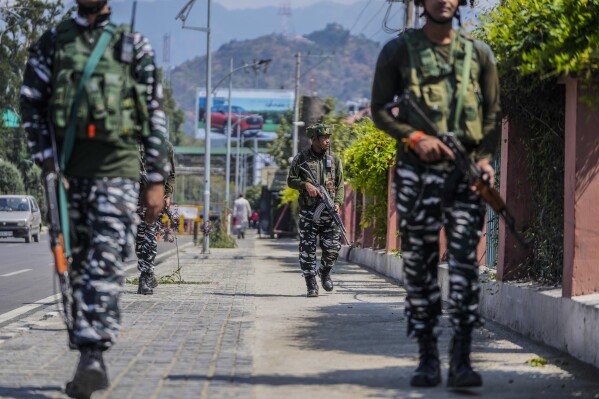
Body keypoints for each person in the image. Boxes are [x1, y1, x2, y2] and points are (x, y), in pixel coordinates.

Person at [20, 0, 171, 397]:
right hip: (68, 173)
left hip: (117, 172)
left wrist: (155, 178)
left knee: (105, 257)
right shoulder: (53, 43)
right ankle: (88, 351)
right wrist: (49, 164)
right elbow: (31, 105)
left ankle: (92, 353)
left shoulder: (132, 44)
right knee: (77, 261)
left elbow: (154, 110)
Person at [371, 0, 501, 389]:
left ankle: (461, 360)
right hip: (417, 171)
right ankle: (427, 357)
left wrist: (486, 160)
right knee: (419, 264)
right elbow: (379, 109)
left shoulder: (478, 53)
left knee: (464, 264)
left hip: (464, 173)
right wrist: (413, 136)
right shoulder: (398, 50)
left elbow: (493, 113)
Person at [287, 123, 344, 297]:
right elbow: (291, 180)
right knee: (307, 249)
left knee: (333, 247)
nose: (327, 141)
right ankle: (311, 283)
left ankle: (325, 272)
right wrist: (305, 185)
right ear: (314, 139)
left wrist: (338, 203)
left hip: (329, 213)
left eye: (329, 138)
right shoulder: (301, 158)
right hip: (309, 212)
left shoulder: (334, 160)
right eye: (324, 138)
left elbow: (340, 184)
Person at [136, 142, 176, 295]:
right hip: (134, 198)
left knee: (150, 236)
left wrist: (167, 194)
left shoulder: (164, 145)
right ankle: (149, 274)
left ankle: (144, 277)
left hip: (155, 197)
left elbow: (171, 173)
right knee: (139, 240)